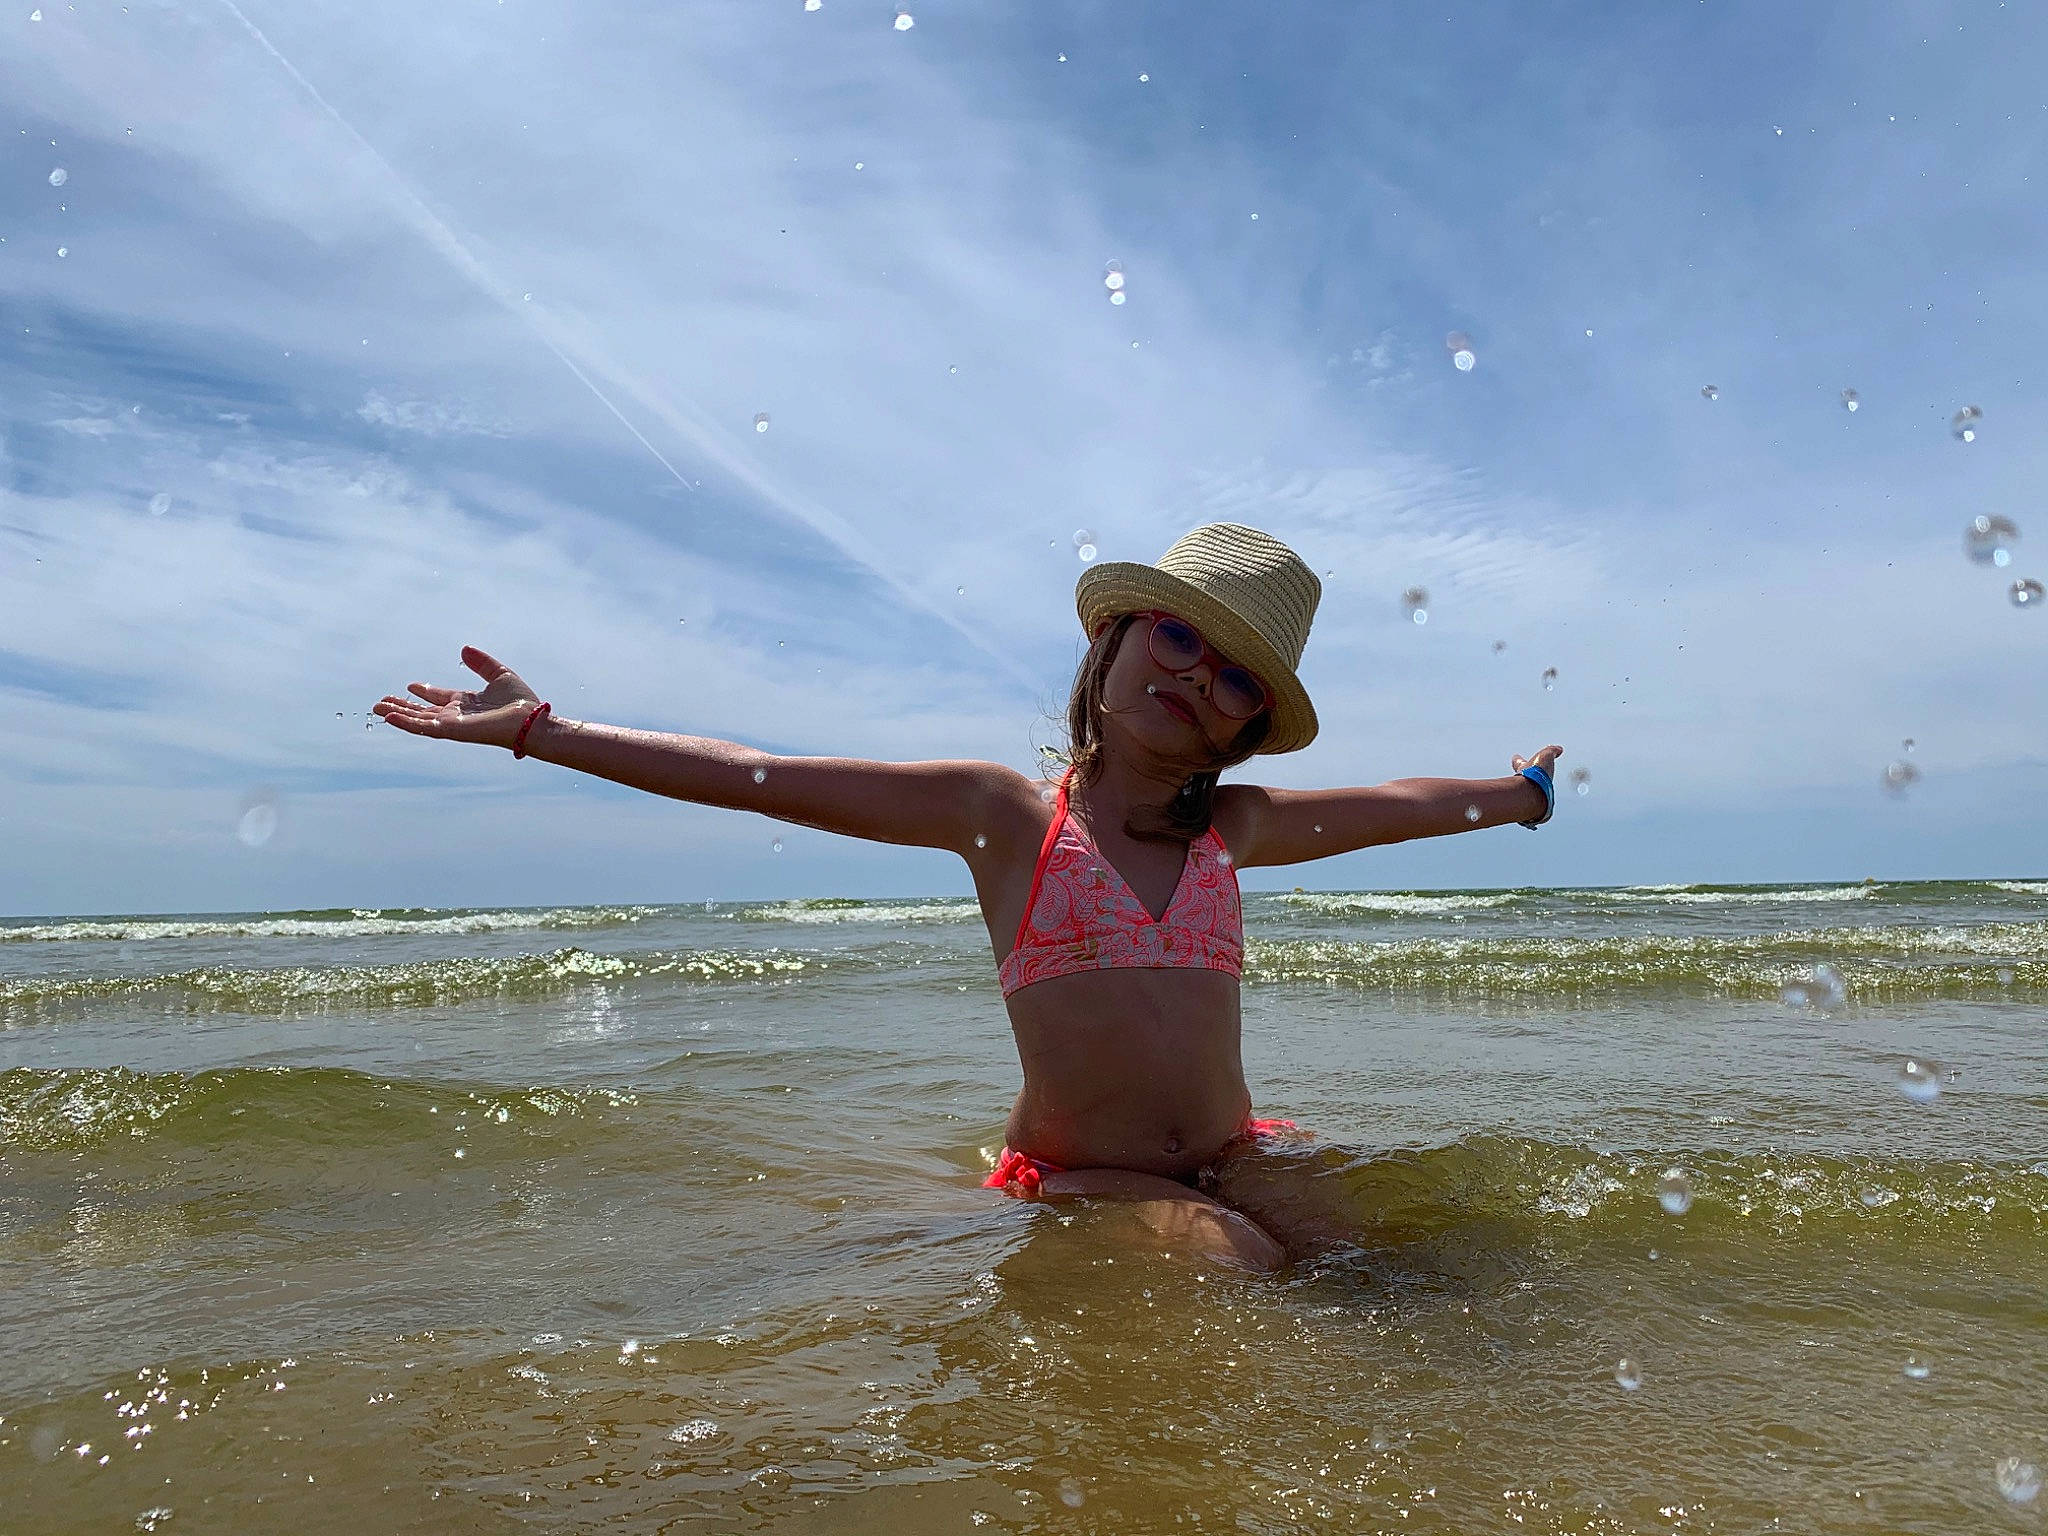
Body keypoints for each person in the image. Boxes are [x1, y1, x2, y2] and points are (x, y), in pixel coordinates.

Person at [374, 523, 1562, 1271]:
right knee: (1233, 1262)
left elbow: (1401, 804)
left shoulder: (1230, 831)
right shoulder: (1001, 816)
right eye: (1176, 639)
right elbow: (755, 776)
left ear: (1247, 728)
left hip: (1230, 1149)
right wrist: (543, 730)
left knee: (1381, 1262)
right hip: (1080, 1171)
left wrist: (1519, 796)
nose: (1198, 678)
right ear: (1111, 642)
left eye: (1237, 678)